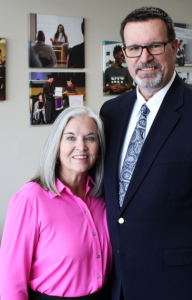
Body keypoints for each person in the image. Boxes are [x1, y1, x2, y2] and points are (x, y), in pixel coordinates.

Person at [100, 6, 192, 300]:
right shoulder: (111, 113)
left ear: (175, 47)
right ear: (124, 53)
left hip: (181, 288)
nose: (144, 58)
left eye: (155, 45)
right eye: (134, 48)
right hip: (120, 288)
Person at [0, 106, 113, 300]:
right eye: (71, 137)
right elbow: (11, 282)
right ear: (56, 145)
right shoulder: (29, 200)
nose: (82, 146)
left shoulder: (105, 196)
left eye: (90, 138)